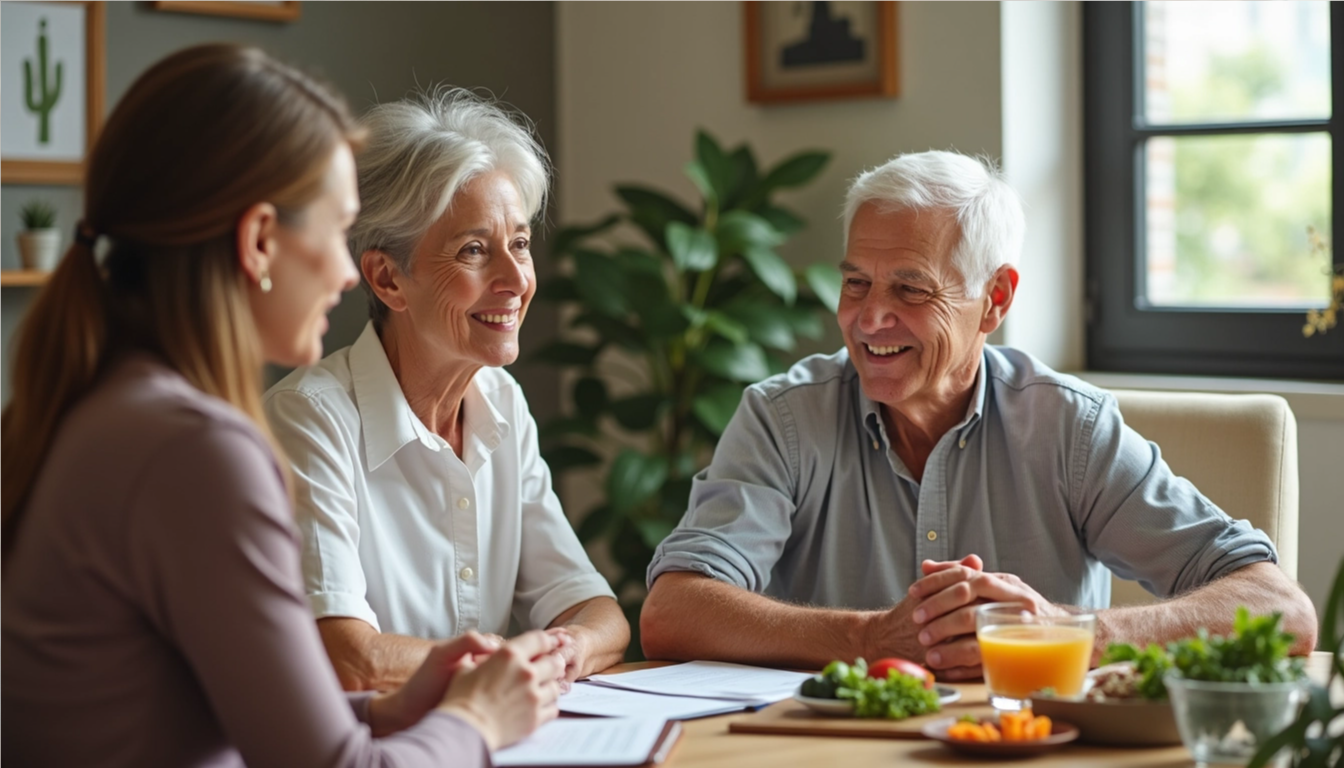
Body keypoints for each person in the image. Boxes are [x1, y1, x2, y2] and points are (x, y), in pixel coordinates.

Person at [0, 45, 565, 768]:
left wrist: (382, 711)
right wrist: (478, 719)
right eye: (335, 231)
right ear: (260, 241)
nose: (347, 272)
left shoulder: (113, 408)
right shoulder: (196, 450)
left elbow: (195, 712)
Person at [640, 150, 1318, 677]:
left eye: (910, 289)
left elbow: (1280, 608)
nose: (870, 319)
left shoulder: (1070, 427)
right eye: (856, 283)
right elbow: (672, 611)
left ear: (995, 299)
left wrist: (1067, 632)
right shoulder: (782, 419)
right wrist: (869, 638)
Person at [263, 88, 628, 693]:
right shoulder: (309, 419)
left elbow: (598, 614)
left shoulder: (502, 402)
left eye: (520, 244)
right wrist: (510, 666)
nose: (515, 280)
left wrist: (571, 648)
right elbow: (350, 658)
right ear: (388, 279)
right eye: (474, 250)